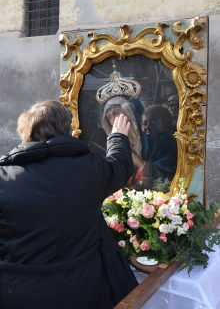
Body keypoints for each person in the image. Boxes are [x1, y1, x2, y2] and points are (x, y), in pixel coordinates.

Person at [0, 100, 138, 309]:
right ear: (68, 129)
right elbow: (120, 167)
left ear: (25, 131)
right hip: (82, 288)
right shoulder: (91, 168)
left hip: (19, 292)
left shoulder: (4, 179)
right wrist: (118, 136)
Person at [101, 95, 147, 189]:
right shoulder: (110, 141)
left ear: (127, 112)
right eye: (109, 116)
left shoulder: (145, 135)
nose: (113, 120)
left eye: (116, 113)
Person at [141, 105, 178, 183]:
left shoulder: (169, 144)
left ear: (164, 124)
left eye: (153, 123)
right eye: (144, 123)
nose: (147, 127)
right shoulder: (141, 142)